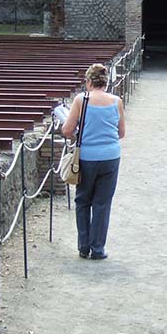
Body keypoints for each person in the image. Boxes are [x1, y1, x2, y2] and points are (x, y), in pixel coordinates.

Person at [61, 63, 126, 260]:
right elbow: (121, 133)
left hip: (87, 157)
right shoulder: (117, 101)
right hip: (110, 157)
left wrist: (80, 133)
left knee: (83, 200)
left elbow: (66, 130)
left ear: (88, 81)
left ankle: (83, 246)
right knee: (102, 203)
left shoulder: (82, 100)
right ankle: (98, 248)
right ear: (106, 82)